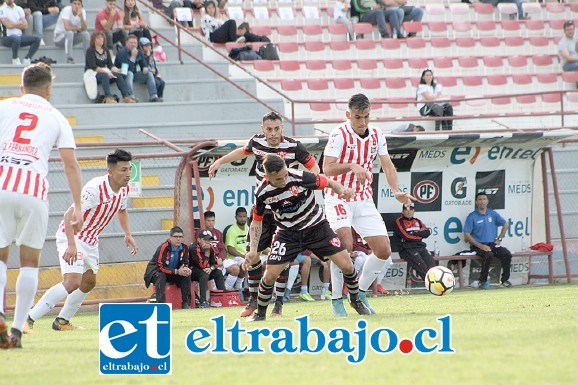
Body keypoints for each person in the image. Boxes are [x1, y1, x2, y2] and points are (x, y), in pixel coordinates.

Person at [0, 63, 83, 348]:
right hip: (33, 189)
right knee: (29, 263)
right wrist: (78, 205)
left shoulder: (5, 106)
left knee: (0, 257)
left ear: (21, 87)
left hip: (2, 182)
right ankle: (18, 330)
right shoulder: (57, 117)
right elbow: (70, 164)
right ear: (49, 89)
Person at [208, 111, 320, 318]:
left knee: (281, 258)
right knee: (253, 254)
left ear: (282, 128)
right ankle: (253, 300)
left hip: (286, 213)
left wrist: (303, 189)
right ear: (263, 129)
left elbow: (314, 169)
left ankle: (278, 304)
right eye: (269, 129)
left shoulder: (294, 146)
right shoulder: (257, 142)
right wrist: (219, 162)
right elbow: (242, 152)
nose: (273, 133)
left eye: (277, 129)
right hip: (262, 210)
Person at [244, 154, 372, 321]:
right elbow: (256, 222)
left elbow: (329, 182)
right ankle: (260, 314)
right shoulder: (262, 192)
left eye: (284, 175)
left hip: (316, 228)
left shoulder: (299, 176)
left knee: (347, 265)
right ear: (267, 177)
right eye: (278, 179)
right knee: (269, 276)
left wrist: (342, 190)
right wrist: (253, 250)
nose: (284, 181)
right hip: (287, 234)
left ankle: (355, 301)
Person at [26, 149, 138, 332]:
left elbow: (122, 210)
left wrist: (128, 234)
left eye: (129, 169)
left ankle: (62, 321)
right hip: (73, 235)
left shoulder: (124, 188)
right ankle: (28, 318)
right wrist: (71, 244)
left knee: (88, 281)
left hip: (91, 239)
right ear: (110, 171)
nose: (127, 174)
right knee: (72, 282)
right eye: (123, 170)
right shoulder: (94, 189)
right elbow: (69, 214)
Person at [323, 93, 412, 316]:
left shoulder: (376, 134)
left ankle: (359, 295)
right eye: (357, 117)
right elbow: (328, 169)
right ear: (348, 115)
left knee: (383, 250)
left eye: (365, 117)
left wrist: (395, 191)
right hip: (338, 197)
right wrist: (352, 166)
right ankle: (336, 300)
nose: (362, 122)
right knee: (344, 248)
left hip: (363, 198)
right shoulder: (338, 134)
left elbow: (388, 165)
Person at [464, 192, 513, 290]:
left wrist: (499, 239)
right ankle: (483, 281)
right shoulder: (472, 216)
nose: (482, 202)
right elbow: (466, 235)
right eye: (480, 199)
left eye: (484, 199)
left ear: (487, 201)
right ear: (476, 202)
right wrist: (480, 246)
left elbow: (505, 224)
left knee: (506, 254)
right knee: (488, 255)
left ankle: (504, 280)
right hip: (478, 246)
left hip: (492, 244)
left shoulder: (492, 213)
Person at [143, 226, 192, 309]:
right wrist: (177, 272)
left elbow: (185, 262)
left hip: (173, 273)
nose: (178, 239)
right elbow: (160, 267)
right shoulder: (164, 247)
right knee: (160, 276)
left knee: (187, 275)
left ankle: (186, 304)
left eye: (180, 237)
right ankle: (161, 305)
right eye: (175, 237)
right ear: (170, 237)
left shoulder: (184, 247)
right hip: (155, 272)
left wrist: (186, 269)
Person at [392, 204, 435, 281]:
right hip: (406, 248)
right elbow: (406, 236)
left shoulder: (417, 221)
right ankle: (431, 284)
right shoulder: (398, 221)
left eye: (411, 210)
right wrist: (419, 234)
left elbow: (427, 232)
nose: (409, 212)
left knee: (431, 262)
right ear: (403, 211)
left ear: (414, 211)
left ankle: (435, 282)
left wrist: (413, 233)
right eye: (406, 210)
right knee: (421, 265)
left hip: (420, 246)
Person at [85, 30, 130, 104]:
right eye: (98, 38)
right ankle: (108, 97)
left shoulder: (106, 50)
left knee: (118, 75)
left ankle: (126, 97)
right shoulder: (90, 51)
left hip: (104, 71)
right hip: (93, 73)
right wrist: (107, 72)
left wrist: (118, 70)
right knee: (105, 75)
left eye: (102, 38)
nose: (101, 39)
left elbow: (110, 65)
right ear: (94, 40)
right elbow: (93, 67)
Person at [189, 230, 226, 308]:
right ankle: (203, 301)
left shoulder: (211, 247)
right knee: (204, 273)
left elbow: (214, 263)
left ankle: (223, 297)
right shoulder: (194, 248)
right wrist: (207, 252)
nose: (208, 242)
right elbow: (201, 265)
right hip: (191, 271)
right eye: (205, 240)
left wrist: (211, 268)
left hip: (204, 269)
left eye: (209, 240)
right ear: (199, 240)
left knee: (218, 272)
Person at [114, 34, 155, 103]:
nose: (133, 45)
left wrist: (145, 68)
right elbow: (126, 70)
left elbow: (143, 64)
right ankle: (130, 96)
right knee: (130, 74)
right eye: (131, 43)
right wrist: (133, 57)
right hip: (121, 75)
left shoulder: (138, 52)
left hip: (134, 74)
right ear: (126, 43)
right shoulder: (122, 53)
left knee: (149, 74)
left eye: (135, 43)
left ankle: (153, 96)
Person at [0, 0, 41, 65]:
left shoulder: (19, 9)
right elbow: (8, 25)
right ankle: (15, 58)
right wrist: (19, 23)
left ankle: (27, 58)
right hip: (6, 37)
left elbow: (25, 25)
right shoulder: (1, 9)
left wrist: (13, 24)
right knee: (16, 38)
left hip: (19, 36)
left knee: (37, 39)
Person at [53, 0, 90, 64]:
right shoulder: (66, 10)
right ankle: (69, 58)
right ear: (71, 4)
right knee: (69, 33)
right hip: (59, 37)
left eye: (79, 4)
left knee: (86, 34)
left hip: (72, 38)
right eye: (75, 4)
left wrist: (81, 17)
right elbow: (67, 27)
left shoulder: (82, 11)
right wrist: (78, 29)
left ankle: (88, 59)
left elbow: (84, 29)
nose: (77, 6)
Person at [223, 207, 247, 292]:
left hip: (246, 256)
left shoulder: (248, 229)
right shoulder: (231, 230)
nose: (242, 219)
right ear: (236, 217)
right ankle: (238, 287)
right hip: (233, 257)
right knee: (244, 263)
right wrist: (242, 256)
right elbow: (230, 249)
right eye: (240, 216)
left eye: (244, 216)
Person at [137, 37, 164, 102]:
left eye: (149, 45)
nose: (148, 47)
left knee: (162, 82)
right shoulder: (140, 55)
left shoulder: (151, 55)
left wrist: (157, 73)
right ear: (141, 47)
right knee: (156, 82)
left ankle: (159, 96)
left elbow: (153, 65)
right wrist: (147, 56)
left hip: (153, 73)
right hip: (146, 74)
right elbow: (144, 65)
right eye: (146, 46)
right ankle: (154, 97)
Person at [558, 21, 578, 88]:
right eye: (568, 30)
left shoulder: (576, 40)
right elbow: (568, 58)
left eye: (572, 29)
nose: (570, 31)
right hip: (567, 64)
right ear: (564, 31)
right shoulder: (562, 42)